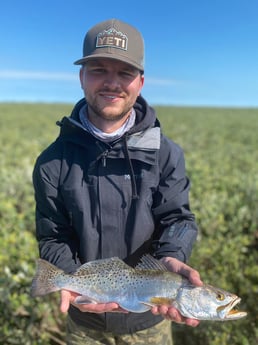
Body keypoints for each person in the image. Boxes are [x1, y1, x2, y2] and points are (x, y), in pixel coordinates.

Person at [32, 18, 203, 345]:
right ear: (81, 77)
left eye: (124, 72)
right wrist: (69, 279)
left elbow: (177, 218)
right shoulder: (51, 162)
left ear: (140, 82)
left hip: (148, 318)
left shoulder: (166, 154)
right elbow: (53, 234)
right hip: (85, 318)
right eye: (98, 69)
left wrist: (172, 254)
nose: (112, 83)